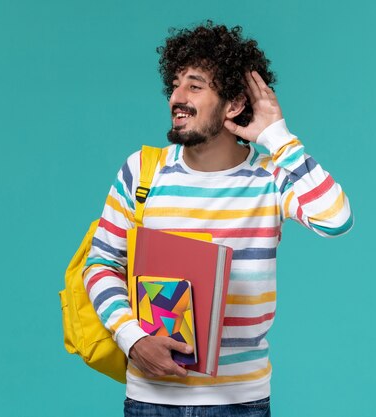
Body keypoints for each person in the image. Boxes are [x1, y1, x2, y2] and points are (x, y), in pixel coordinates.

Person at [84, 21, 353, 416]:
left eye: (195, 86)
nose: (176, 96)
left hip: (241, 402)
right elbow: (101, 265)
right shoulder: (141, 172)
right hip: (151, 401)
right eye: (174, 84)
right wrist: (132, 338)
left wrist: (278, 138)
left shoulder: (271, 176)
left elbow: (335, 218)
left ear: (233, 105)